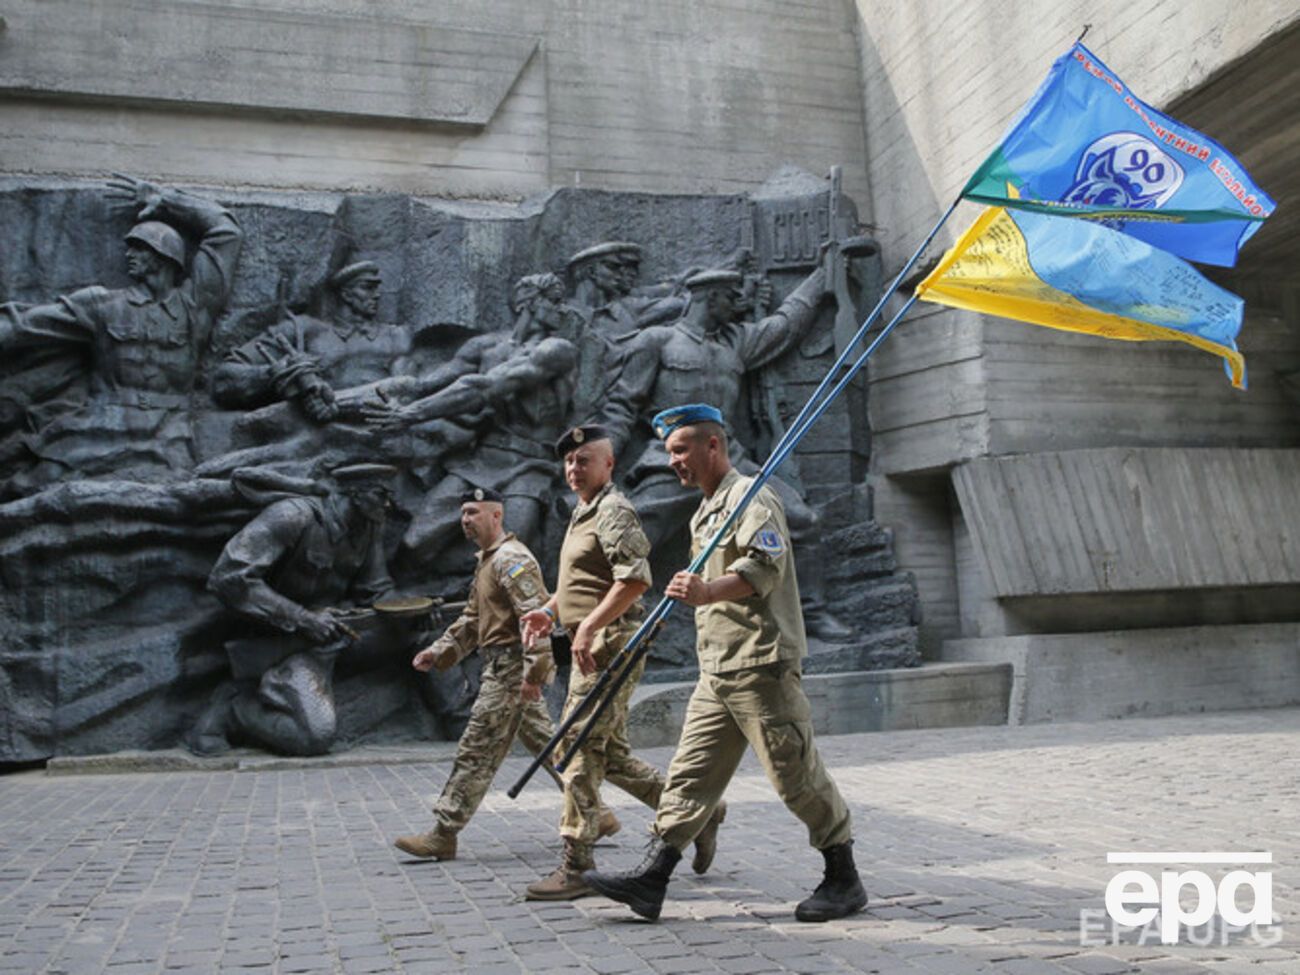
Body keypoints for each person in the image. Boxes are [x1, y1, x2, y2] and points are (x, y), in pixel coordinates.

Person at [582, 404, 866, 923]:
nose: (674, 463)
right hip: (719, 668)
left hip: (761, 665)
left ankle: (843, 876)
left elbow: (764, 566)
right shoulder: (706, 509)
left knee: (794, 775)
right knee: (689, 775)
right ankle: (653, 876)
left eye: (681, 450)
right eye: (669, 453)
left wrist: (708, 590)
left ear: (713, 446)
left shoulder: (751, 498)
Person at [519, 425, 724, 900]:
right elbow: (584, 581)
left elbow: (634, 580)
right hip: (592, 642)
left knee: (576, 750)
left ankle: (577, 865)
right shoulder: (583, 511)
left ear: (608, 465)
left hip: (609, 646)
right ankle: (699, 812)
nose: (574, 469)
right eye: (569, 461)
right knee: (606, 755)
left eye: (584, 460)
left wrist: (588, 626)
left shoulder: (613, 510)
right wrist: (549, 611)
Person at [393, 487, 620, 860]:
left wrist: (533, 674)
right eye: (463, 513)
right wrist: (439, 651)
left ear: (496, 516)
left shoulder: (511, 560)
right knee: (552, 748)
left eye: (473, 512)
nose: (466, 520)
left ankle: (443, 832)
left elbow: (537, 620)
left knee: (475, 750)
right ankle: (598, 813)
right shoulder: (487, 560)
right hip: (503, 667)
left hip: (510, 672)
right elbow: (472, 619)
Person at [0, 174, 242, 492]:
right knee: (26, 488)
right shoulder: (102, 304)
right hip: (97, 428)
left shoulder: (193, 308)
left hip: (168, 438)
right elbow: (26, 324)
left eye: (140, 249)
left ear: (164, 256)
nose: (130, 255)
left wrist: (167, 200)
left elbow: (227, 232)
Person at [192, 463, 399, 756]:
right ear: (355, 493)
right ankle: (235, 709)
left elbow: (375, 590)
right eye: (382, 495)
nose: (388, 505)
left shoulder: (369, 526)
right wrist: (303, 619)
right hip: (283, 641)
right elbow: (229, 578)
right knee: (314, 737)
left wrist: (415, 610)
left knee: (431, 635)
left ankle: (462, 724)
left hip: (332, 637)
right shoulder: (292, 516)